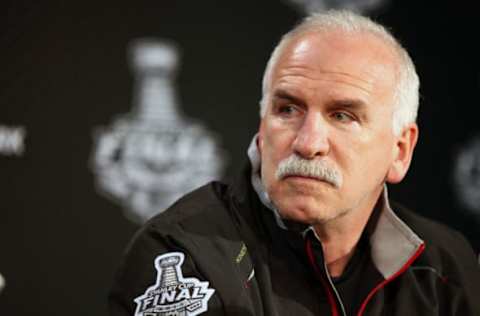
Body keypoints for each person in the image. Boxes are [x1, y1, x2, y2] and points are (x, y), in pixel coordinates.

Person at [109, 10, 480, 316]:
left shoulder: (447, 266)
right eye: (287, 109)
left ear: (400, 150)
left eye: (343, 116)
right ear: (261, 128)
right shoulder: (182, 256)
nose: (307, 143)